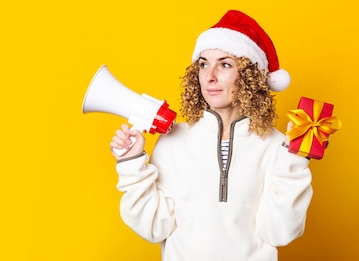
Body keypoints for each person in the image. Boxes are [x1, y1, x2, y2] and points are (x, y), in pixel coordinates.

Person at [109, 10, 312, 261]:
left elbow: (279, 232)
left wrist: (294, 159)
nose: (210, 76)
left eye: (225, 64)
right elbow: (153, 228)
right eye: (203, 64)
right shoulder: (174, 140)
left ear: (249, 76)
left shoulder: (275, 146)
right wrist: (131, 163)